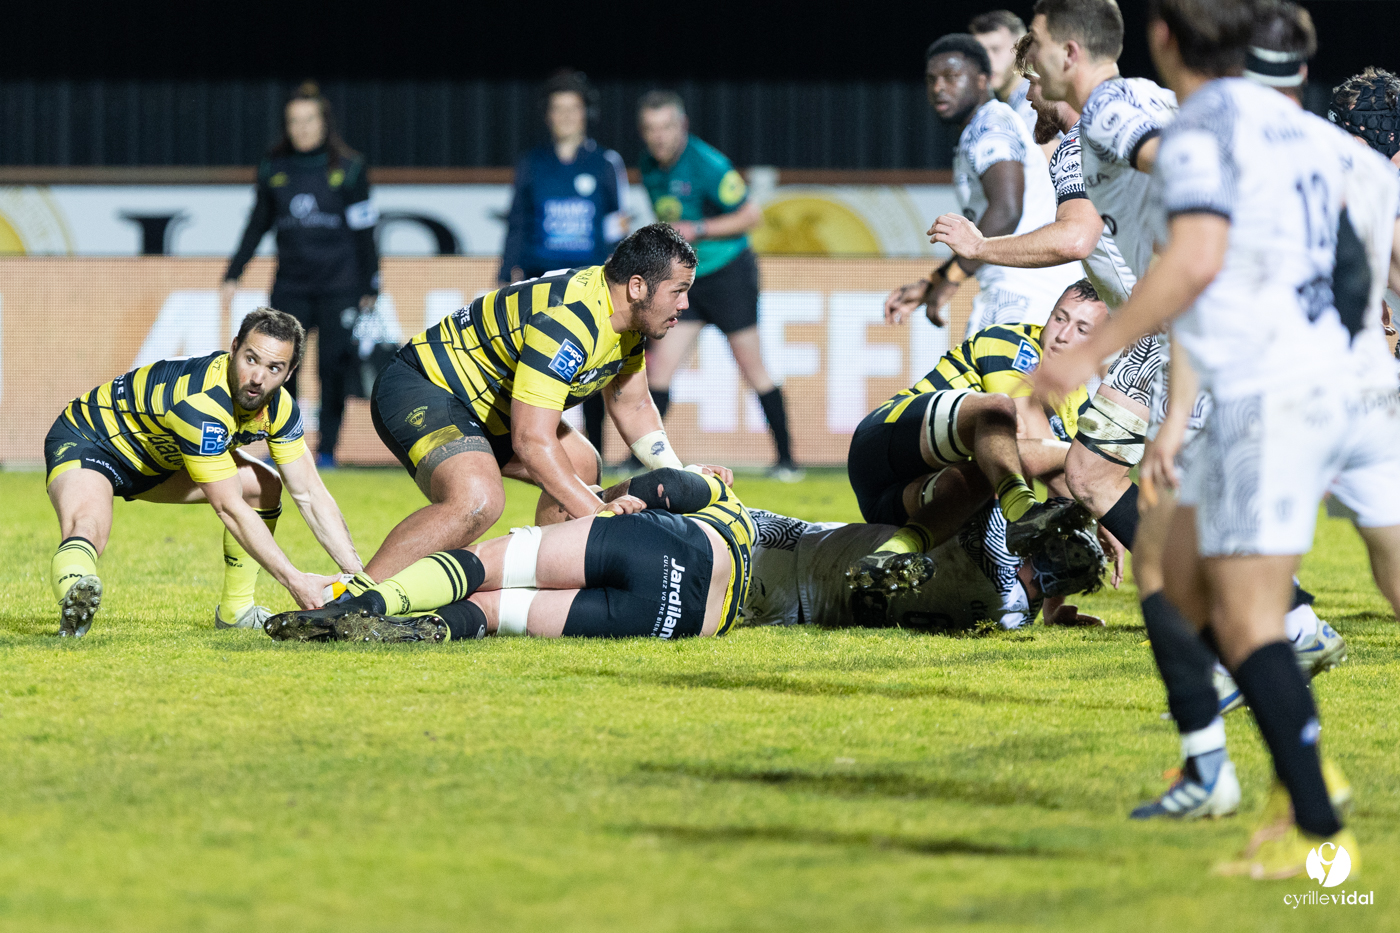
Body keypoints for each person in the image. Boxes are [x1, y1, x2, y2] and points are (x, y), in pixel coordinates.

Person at [1033, 0, 1380, 877]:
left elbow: (1192, 261)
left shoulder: (1181, 131)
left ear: (1162, 42)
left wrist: (1090, 355)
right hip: (1351, 381)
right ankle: (1214, 772)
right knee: (1161, 569)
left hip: (1269, 390)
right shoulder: (1318, 138)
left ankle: (1314, 825)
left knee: (1253, 623)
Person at [359, 223, 732, 589]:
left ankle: (539, 581)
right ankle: (356, 596)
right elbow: (532, 442)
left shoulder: (628, 318)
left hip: (490, 404)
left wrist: (681, 476)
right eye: (678, 291)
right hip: (424, 385)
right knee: (478, 500)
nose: (685, 304)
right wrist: (598, 515)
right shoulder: (570, 321)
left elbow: (632, 406)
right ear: (637, 286)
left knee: (582, 466)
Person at [44, 308, 361, 636]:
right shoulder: (202, 404)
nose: (257, 377)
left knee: (263, 485)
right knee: (90, 523)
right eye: (250, 359)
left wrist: (360, 577)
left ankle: (236, 611)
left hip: (160, 461)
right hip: (91, 438)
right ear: (234, 348)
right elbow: (229, 508)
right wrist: (296, 581)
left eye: (274, 368)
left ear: (290, 372)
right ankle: (76, 593)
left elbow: (309, 493)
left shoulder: (280, 409)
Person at [263, 467, 755, 642]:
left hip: (668, 546)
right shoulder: (749, 537)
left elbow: (673, 484)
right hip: (681, 619)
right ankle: (423, 630)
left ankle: (361, 605)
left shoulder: (718, 492)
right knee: (495, 610)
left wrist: (623, 498)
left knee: (486, 562)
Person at [848, 280, 1109, 594]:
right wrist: (1107, 515)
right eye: (1060, 318)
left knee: (990, 474)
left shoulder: (1077, 403)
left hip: (897, 501)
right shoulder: (1013, 344)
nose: (1062, 336)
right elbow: (1042, 442)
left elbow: (1060, 497)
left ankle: (889, 555)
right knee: (1000, 410)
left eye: (1082, 330)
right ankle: (1021, 509)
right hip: (880, 445)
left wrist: (1057, 605)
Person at [636, 91, 803, 481]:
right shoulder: (648, 165)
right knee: (658, 369)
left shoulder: (708, 165)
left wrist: (698, 229)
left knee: (751, 365)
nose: (658, 137)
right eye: (650, 130)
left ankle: (788, 460)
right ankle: (643, 461)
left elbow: (751, 216)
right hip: (686, 280)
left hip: (728, 274)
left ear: (682, 126)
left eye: (666, 128)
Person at [222, 82, 379, 469]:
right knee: (280, 369)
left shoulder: (349, 167)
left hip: (339, 287)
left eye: (310, 120)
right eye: (295, 121)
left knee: (332, 370)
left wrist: (370, 282)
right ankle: (283, 450)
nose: (303, 128)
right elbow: (257, 223)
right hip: (291, 286)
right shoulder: (274, 167)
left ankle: (326, 451)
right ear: (286, 125)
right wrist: (234, 271)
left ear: (324, 123)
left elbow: (365, 231)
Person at [883, 35, 1081, 335]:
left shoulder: (993, 125)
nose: (938, 88)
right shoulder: (983, 126)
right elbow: (985, 230)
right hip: (1028, 292)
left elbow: (1006, 211)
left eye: (951, 77)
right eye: (931, 79)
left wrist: (951, 280)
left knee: (972, 381)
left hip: (1021, 295)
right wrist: (932, 283)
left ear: (982, 80)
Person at [498, 70, 629, 457]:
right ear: (548, 116)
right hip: (541, 281)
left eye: (573, 109)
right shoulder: (532, 163)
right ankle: (536, 446)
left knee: (594, 369)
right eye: (558, 109)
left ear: (585, 113)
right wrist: (507, 272)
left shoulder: (606, 163)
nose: (566, 116)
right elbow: (518, 220)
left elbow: (616, 225)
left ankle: (598, 454)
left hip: (591, 281)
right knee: (538, 364)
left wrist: (617, 277)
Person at [743, 496, 1107, 632]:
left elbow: (987, 477)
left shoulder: (994, 553)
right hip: (797, 613)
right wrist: (1052, 610)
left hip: (796, 557)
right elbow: (1033, 584)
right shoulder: (1014, 620)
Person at [969, 10, 1060, 161]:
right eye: (981, 52)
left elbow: (1057, 161)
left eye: (996, 49)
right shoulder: (1017, 101)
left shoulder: (1033, 101)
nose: (988, 60)